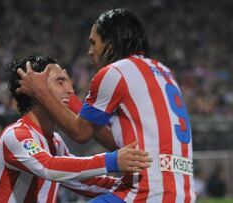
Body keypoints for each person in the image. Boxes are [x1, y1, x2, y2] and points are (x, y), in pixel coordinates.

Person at [17, 9, 195, 202]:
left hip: (146, 192)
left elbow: (80, 133)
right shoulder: (164, 72)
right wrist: (72, 99)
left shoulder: (115, 72)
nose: (90, 51)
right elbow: (115, 142)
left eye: (93, 42)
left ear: (110, 42)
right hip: (182, 192)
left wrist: (40, 91)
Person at [0, 56, 152, 203]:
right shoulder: (16, 135)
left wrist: (137, 187)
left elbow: (83, 181)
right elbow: (49, 167)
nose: (70, 91)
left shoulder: (56, 142)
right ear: (37, 89)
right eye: (60, 82)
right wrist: (111, 160)